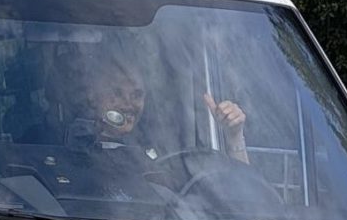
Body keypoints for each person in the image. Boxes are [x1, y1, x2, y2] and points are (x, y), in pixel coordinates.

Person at [76, 57, 250, 165]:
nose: (128, 104)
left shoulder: (165, 153)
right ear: (93, 95)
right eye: (117, 93)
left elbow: (242, 202)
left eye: (137, 95)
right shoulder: (69, 147)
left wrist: (233, 136)